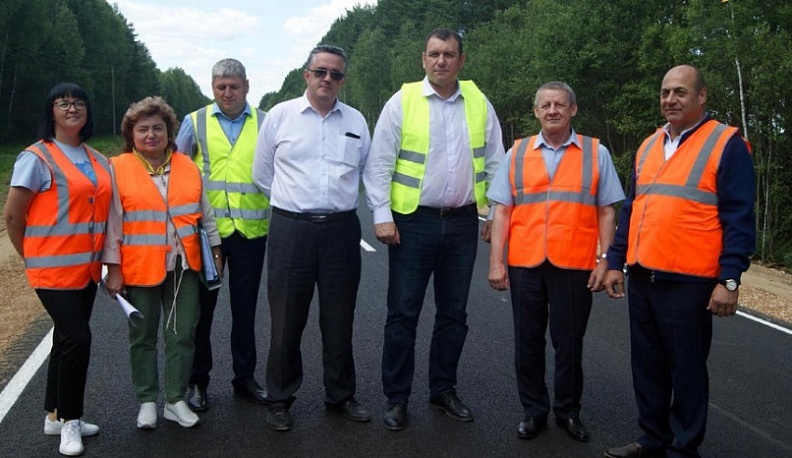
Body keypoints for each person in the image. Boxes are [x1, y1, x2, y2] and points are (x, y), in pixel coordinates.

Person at [602, 65, 755, 458]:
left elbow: (739, 218)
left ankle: (683, 449)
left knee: (686, 370)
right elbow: (632, 209)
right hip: (643, 275)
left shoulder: (726, 144)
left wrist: (730, 280)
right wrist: (615, 261)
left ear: (701, 96)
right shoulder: (649, 145)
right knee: (647, 365)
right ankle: (652, 438)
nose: (670, 99)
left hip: (690, 282)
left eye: (680, 92)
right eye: (665, 92)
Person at [363, 28, 504, 431]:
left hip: (462, 222)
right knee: (403, 313)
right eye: (434, 54)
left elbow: (496, 162)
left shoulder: (477, 101)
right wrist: (381, 214)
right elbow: (379, 162)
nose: (441, 61)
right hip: (413, 222)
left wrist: (495, 213)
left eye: (449, 54)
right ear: (423, 59)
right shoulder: (403, 100)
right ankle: (397, 398)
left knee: (453, 314)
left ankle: (443, 390)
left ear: (461, 60)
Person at [487, 82, 625, 442]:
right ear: (536, 112)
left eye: (560, 105)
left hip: (575, 264)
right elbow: (501, 212)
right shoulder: (517, 153)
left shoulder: (596, 153)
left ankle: (568, 411)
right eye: (545, 105)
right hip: (525, 263)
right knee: (527, 341)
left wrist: (606, 260)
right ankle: (534, 411)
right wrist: (496, 262)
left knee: (569, 342)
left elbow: (606, 211)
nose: (552, 110)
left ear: (573, 109)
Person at [252, 44, 371, 431]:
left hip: (341, 230)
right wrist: (293, 202)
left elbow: (366, 169)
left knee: (339, 319)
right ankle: (280, 398)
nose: (327, 79)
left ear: (343, 80)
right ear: (307, 74)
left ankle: (340, 395)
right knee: (286, 320)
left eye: (335, 74)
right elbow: (262, 172)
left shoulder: (355, 120)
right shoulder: (281, 116)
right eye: (320, 71)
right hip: (292, 230)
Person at [102, 96, 223, 431]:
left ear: (170, 132)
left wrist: (215, 253)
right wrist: (112, 269)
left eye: (158, 128)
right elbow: (112, 224)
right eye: (143, 129)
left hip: (185, 267)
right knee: (142, 336)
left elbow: (206, 215)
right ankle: (146, 401)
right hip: (139, 268)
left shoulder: (187, 166)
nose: (151, 134)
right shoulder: (118, 168)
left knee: (182, 334)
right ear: (131, 135)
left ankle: (175, 399)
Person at [3, 82, 110, 456]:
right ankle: (70, 421)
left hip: (87, 270)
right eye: (63, 103)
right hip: (51, 272)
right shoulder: (36, 157)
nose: (72, 108)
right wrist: (31, 257)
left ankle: (53, 415)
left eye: (79, 102)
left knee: (65, 339)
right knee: (79, 339)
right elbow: (13, 216)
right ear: (50, 111)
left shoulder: (98, 159)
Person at [175, 58, 269, 411]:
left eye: (234, 86)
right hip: (205, 234)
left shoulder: (266, 122)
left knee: (245, 311)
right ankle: (198, 382)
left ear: (247, 86)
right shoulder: (194, 122)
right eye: (221, 87)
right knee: (201, 312)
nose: (227, 93)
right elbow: (178, 172)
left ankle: (245, 378)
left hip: (250, 231)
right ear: (212, 88)